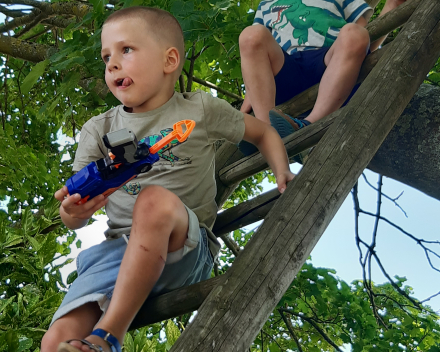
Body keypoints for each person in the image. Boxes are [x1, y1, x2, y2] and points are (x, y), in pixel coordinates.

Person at [42, 6, 295, 352]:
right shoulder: (98, 129)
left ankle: (108, 335)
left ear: (170, 60)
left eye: (125, 50)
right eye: (106, 57)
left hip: (185, 249)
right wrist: (75, 213)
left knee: (153, 200)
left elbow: (263, 133)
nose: (112, 63)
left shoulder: (198, 110)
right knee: (54, 341)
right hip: (118, 252)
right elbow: (72, 211)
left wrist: (282, 170)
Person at [238, 0, 407, 154]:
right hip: (284, 70)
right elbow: (254, 54)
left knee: (356, 33)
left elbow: (366, 39)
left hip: (330, 67)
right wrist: (250, 95)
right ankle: (265, 130)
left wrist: (392, 6)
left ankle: (309, 126)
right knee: (251, 35)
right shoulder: (267, 4)